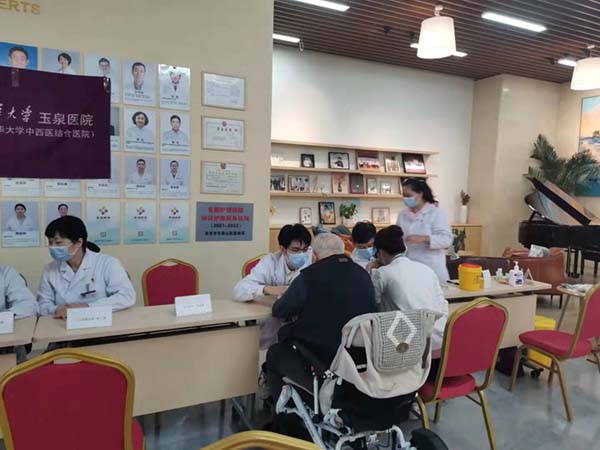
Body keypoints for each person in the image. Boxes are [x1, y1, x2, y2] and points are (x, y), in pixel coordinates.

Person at [266, 233, 377, 403]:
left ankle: (282, 412)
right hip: (359, 356)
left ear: (315, 255)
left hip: (321, 356)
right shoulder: (363, 274)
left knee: (275, 352)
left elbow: (280, 310)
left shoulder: (309, 276)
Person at [36, 216, 135, 318]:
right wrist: (57, 309)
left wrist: (87, 307)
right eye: (50, 242)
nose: (53, 247)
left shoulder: (107, 263)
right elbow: (42, 304)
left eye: (58, 243)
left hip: (101, 321)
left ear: (79, 242)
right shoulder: (50, 269)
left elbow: (126, 296)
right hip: (62, 322)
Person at [369, 225, 448, 351]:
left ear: (381, 253)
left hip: (410, 347)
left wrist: (369, 270)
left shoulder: (381, 273)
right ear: (404, 248)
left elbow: (372, 303)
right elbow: (442, 304)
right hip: (441, 340)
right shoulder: (426, 269)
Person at [233, 224, 312, 349]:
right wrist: (266, 289)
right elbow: (239, 290)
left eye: (305, 249)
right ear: (283, 249)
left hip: (301, 326)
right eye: (296, 250)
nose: (301, 254)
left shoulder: (311, 260)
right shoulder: (270, 262)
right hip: (272, 327)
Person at [397, 178, 452, 282]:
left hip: (431, 267)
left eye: (408, 195)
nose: (405, 199)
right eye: (404, 196)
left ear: (420, 194)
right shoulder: (402, 214)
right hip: (409, 266)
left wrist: (424, 239)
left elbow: (446, 240)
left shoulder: (436, 213)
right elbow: (398, 236)